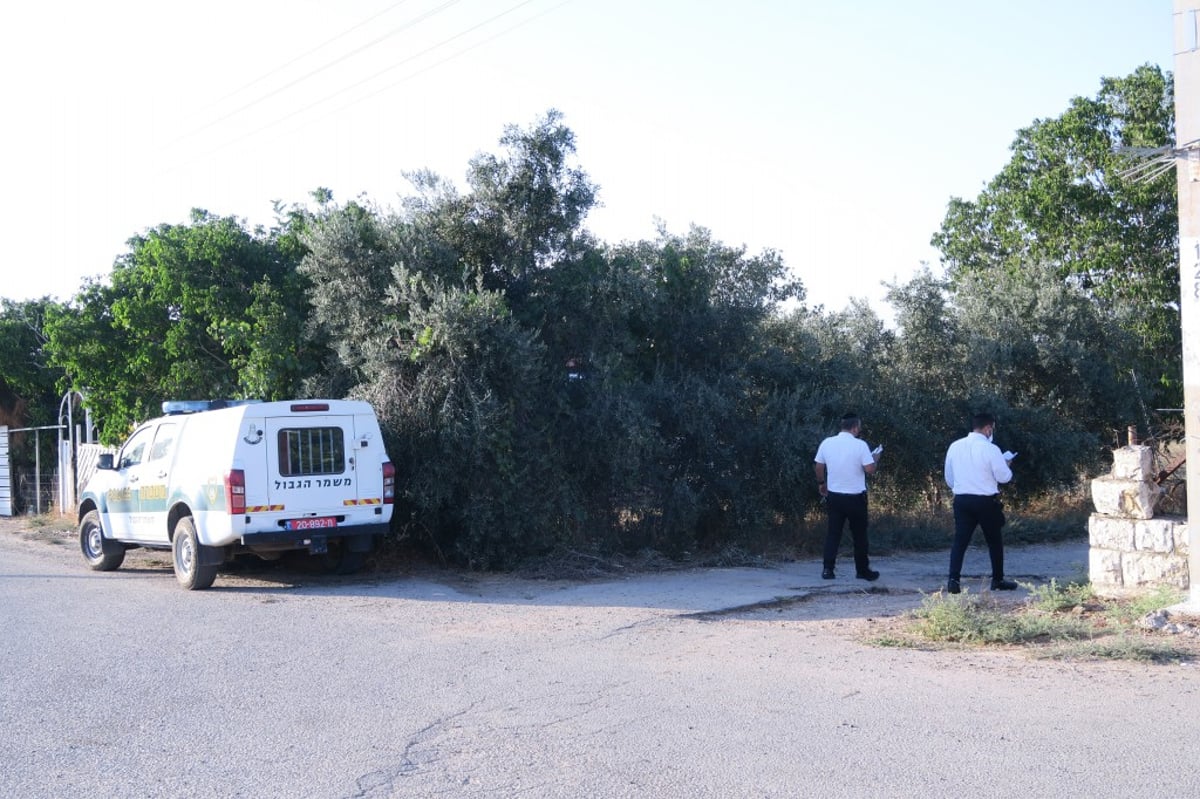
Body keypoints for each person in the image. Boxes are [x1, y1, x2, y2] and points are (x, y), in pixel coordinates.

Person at [944, 412, 1017, 594]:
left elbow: (949, 478)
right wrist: (1006, 464)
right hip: (985, 501)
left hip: (962, 500)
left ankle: (953, 580)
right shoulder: (991, 449)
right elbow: (1004, 477)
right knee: (994, 541)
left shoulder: (955, 446)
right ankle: (997, 580)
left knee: (960, 541)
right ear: (988, 428)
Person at [813, 413, 881, 581]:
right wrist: (876, 458)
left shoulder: (827, 443)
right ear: (855, 428)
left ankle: (828, 569)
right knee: (859, 535)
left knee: (833, 534)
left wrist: (822, 483)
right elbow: (870, 470)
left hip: (835, 496)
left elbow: (819, 466)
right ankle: (862, 570)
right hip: (856, 497)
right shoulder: (860, 445)